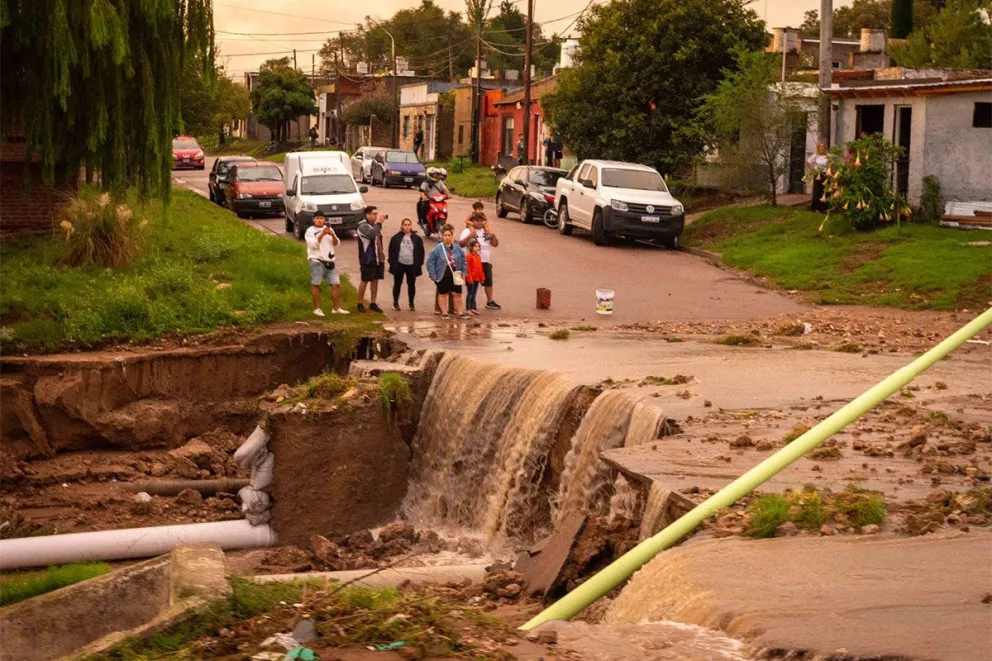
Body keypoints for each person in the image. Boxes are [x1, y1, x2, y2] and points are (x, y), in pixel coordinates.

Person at [305, 211, 349, 317]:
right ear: (313, 219)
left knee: (336, 284)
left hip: (330, 261)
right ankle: (317, 309)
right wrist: (322, 234)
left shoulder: (330, 229)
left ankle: (336, 308)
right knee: (316, 284)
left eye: (321, 218)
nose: (319, 220)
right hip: (317, 261)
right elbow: (313, 245)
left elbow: (336, 243)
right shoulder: (310, 231)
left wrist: (332, 234)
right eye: (317, 218)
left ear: (324, 220)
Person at [459, 209, 501, 310]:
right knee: (472, 284)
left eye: (481, 220)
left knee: (488, 281)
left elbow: (494, 244)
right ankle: (471, 305)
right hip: (472, 261)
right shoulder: (467, 231)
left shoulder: (485, 232)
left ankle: (490, 301)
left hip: (485, 261)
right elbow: (461, 244)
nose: (479, 222)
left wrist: (493, 236)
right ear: (472, 221)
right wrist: (470, 236)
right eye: (477, 220)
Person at [426, 224, 469, 320]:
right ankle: (444, 313)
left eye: (449, 235)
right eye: (445, 235)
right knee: (443, 294)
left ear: (452, 236)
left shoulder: (457, 248)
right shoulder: (438, 248)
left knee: (457, 294)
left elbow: (463, 260)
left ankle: (459, 312)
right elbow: (430, 262)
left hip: (457, 274)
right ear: (443, 236)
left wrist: (464, 273)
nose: (447, 237)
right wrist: (432, 275)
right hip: (443, 274)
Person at [388, 218, 425, 312]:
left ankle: (411, 303)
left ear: (411, 226)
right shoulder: (396, 237)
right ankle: (395, 303)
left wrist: (419, 263)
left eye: (409, 224)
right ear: (401, 226)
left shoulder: (416, 238)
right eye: (405, 224)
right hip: (399, 264)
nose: (407, 226)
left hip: (411, 265)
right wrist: (392, 263)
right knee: (397, 284)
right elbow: (391, 251)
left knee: (411, 285)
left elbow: (421, 252)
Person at [356, 206, 386, 313]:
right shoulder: (362, 226)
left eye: (376, 213)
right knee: (364, 280)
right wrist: (379, 224)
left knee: (375, 280)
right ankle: (359, 303)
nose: (376, 216)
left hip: (378, 258)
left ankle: (373, 303)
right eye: (374, 214)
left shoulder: (374, 225)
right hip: (367, 258)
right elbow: (371, 234)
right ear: (367, 215)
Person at [418, 167, 449, 231]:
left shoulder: (440, 182)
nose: (435, 176)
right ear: (429, 174)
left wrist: (448, 195)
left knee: (444, 207)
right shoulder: (425, 183)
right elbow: (422, 191)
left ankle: (443, 221)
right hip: (429, 200)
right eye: (434, 174)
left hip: (438, 200)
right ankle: (423, 221)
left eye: (436, 174)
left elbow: (445, 190)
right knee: (423, 205)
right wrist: (424, 196)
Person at [806, 142, 830, 213]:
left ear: (825, 148)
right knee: (817, 191)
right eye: (820, 146)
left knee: (825, 191)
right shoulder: (815, 156)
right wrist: (813, 170)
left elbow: (831, 164)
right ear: (818, 148)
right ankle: (815, 208)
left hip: (826, 175)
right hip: (817, 175)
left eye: (823, 146)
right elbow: (808, 162)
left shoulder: (828, 155)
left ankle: (824, 208)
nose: (821, 148)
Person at [464, 239, 485, 316]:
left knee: (474, 293)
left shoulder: (478, 256)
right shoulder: (469, 256)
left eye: (478, 246)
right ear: (471, 247)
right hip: (471, 279)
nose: (477, 248)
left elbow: (480, 268)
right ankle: (468, 309)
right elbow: (468, 268)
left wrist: (482, 278)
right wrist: (469, 278)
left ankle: (472, 308)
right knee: (470, 294)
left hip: (477, 278)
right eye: (475, 246)